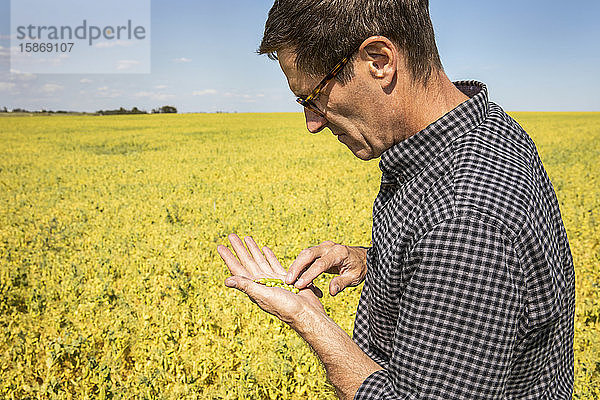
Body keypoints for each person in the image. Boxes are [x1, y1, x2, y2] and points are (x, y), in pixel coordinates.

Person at [216, 0, 575, 398]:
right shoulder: (486, 128)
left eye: (313, 96)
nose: (312, 123)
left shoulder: (462, 222)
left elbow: (462, 244)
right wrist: (373, 260)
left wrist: (308, 318)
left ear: (380, 60)